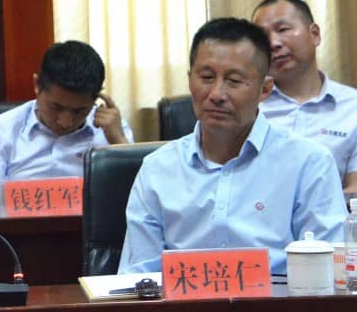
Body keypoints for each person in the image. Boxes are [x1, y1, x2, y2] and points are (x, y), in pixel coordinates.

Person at [119, 18, 346, 274]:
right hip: (184, 301)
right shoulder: (157, 169)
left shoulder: (309, 163)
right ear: (190, 80)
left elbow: (330, 273)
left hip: (281, 300)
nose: (216, 94)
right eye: (206, 77)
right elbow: (139, 276)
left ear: (265, 89)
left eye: (234, 80)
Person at [0, 40, 131, 207]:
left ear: (96, 99)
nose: (65, 122)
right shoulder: (3, 129)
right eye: (56, 107)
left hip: (92, 225)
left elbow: (138, 204)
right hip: (19, 225)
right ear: (37, 85)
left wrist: (118, 140)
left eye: (79, 111)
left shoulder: (113, 130)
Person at [252, 0, 357, 192]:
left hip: (334, 211)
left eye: (283, 29)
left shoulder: (352, 107)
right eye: (263, 37)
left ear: (314, 34)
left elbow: (354, 194)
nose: (273, 43)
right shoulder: (247, 106)